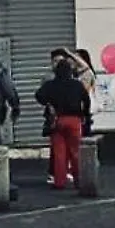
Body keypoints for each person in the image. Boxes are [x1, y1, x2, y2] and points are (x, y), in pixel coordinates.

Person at [35, 58, 90, 190]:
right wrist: (85, 114)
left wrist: (48, 103)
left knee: (59, 152)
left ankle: (60, 181)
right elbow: (86, 100)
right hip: (74, 120)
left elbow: (39, 96)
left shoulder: (50, 85)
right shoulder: (77, 85)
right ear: (70, 71)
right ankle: (78, 180)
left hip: (57, 120)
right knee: (75, 151)